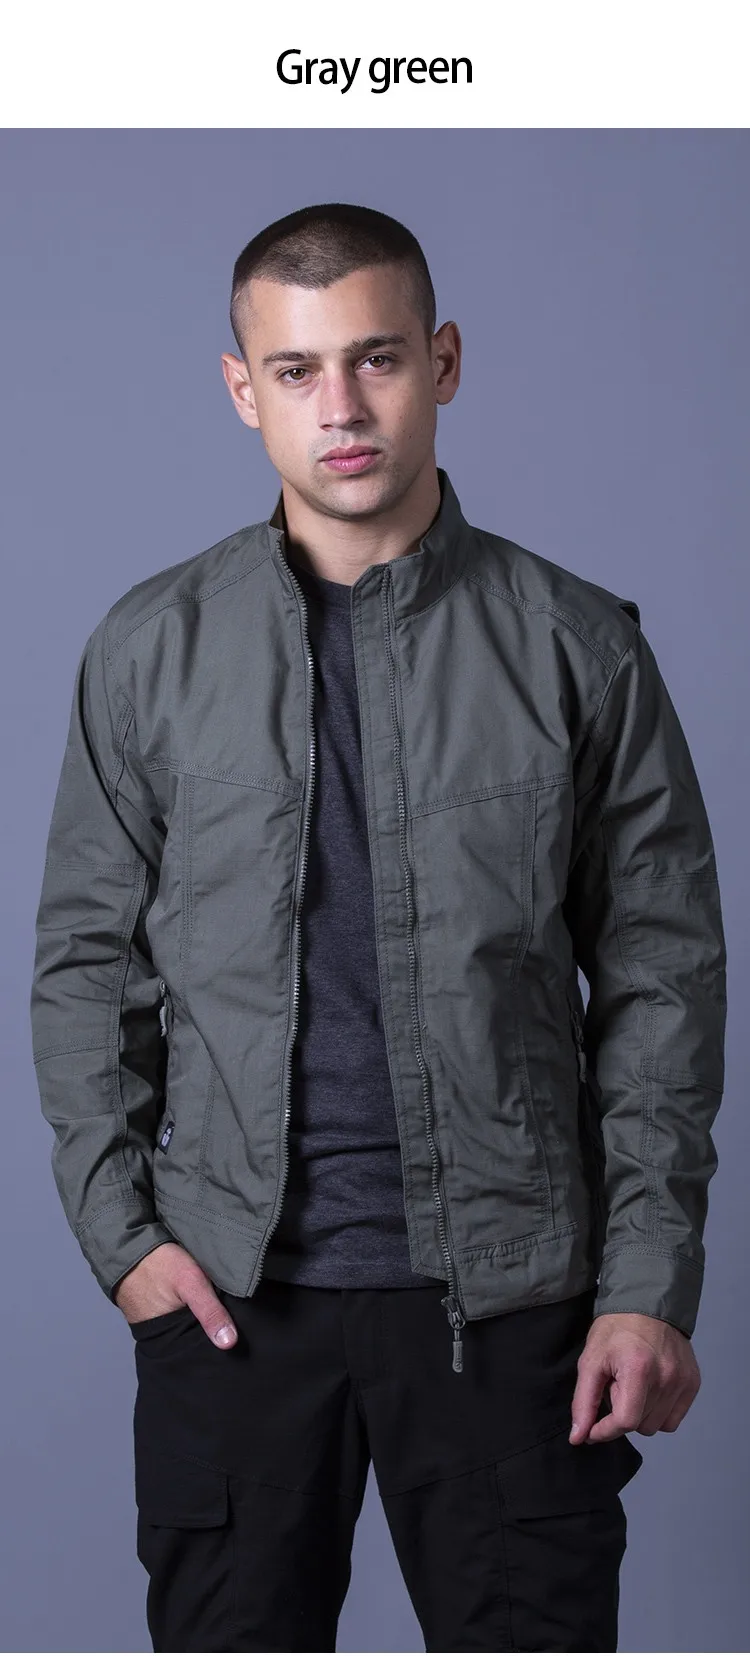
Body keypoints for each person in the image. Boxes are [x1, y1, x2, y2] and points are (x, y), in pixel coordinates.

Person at [30, 201, 727, 1654]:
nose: (340, 408)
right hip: (233, 1306)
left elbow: (661, 983)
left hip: (517, 1312)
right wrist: (124, 1239)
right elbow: (89, 968)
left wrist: (647, 1288)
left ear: (443, 362)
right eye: (296, 371)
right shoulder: (150, 652)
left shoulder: (578, 649)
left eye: (378, 359)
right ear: (244, 389)